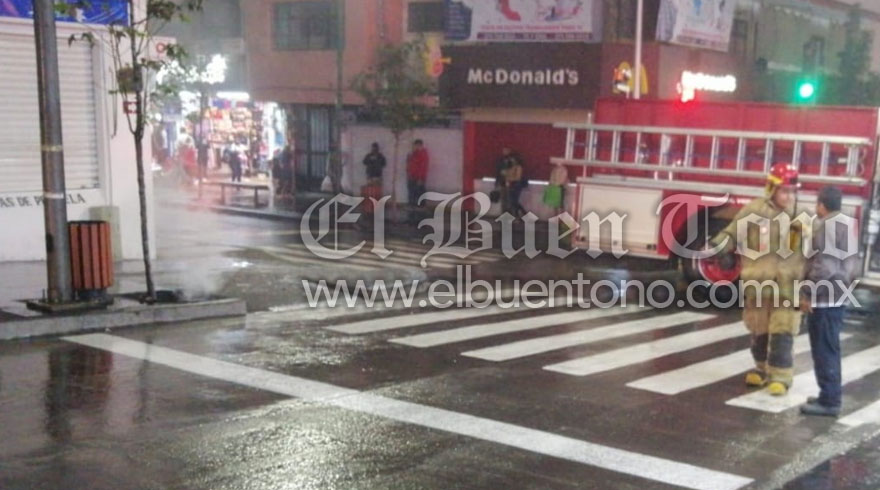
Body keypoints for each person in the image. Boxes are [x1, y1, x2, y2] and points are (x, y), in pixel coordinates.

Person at [709, 163, 805, 396]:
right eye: (784, 191)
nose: (789, 196)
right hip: (757, 286)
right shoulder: (754, 211)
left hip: (787, 288)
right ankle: (761, 369)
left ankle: (780, 377)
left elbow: (816, 252)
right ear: (771, 189)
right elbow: (732, 233)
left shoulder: (802, 217)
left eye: (792, 191)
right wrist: (717, 248)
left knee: (782, 331)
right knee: (759, 330)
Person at [799, 186, 860, 417]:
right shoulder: (846, 224)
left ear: (821, 205)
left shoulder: (827, 227)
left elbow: (824, 267)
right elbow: (851, 265)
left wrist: (807, 292)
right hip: (838, 295)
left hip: (825, 299)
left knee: (824, 350)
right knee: (830, 347)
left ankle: (830, 401)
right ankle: (828, 395)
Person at [407, 139, 429, 208]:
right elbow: (410, 164)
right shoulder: (414, 154)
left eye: (416, 145)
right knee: (413, 192)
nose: (415, 147)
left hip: (418, 177)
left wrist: (420, 178)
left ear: (420, 145)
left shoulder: (423, 154)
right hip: (412, 176)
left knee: (419, 192)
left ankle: (420, 207)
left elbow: (423, 167)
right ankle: (413, 205)